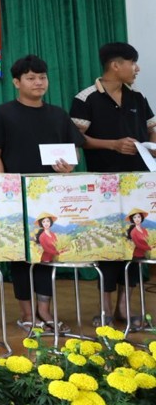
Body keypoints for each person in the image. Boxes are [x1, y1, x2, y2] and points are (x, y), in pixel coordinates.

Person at [0, 54, 84, 332]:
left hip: (51, 195)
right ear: (17, 82)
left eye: (42, 77)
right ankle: (27, 314)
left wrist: (69, 166)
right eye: (30, 78)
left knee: (47, 251)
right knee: (22, 255)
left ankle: (45, 310)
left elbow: (73, 151)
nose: (38, 82)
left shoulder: (58, 114)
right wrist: (4, 188)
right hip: (16, 196)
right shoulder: (2, 113)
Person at [70, 42, 156, 328]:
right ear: (116, 65)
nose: (137, 69)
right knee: (107, 242)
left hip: (138, 184)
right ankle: (104, 306)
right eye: (133, 63)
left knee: (135, 242)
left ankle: (125, 305)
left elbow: (152, 129)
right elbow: (77, 139)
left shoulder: (138, 97)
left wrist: (151, 148)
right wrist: (113, 145)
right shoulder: (86, 98)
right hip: (103, 185)